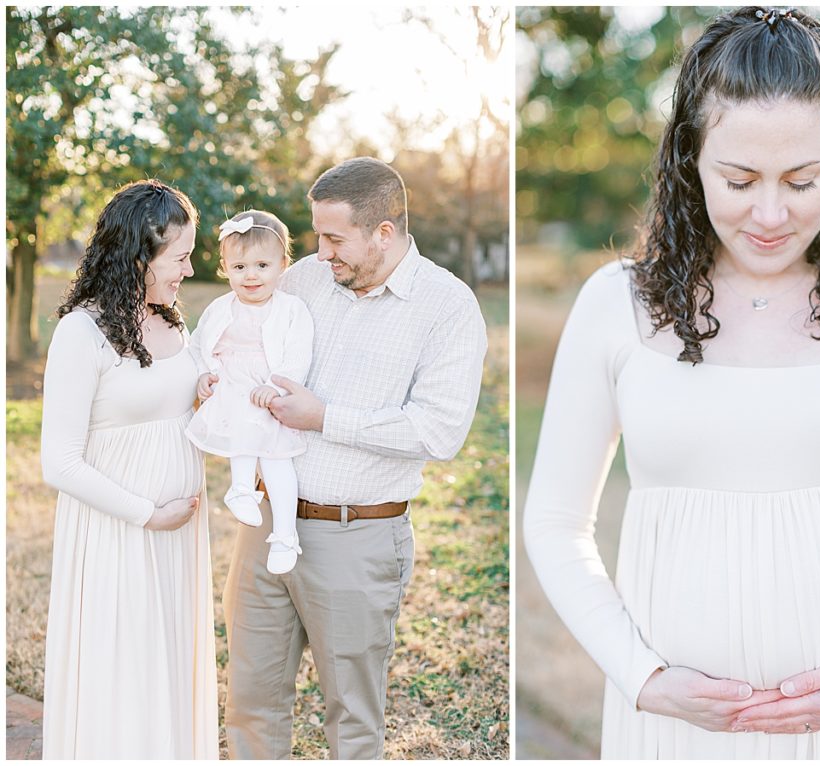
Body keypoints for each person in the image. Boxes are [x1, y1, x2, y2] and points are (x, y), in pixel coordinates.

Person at [523, 7, 820, 760]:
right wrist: (643, 676)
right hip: (679, 733)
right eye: (740, 178)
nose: (771, 213)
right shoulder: (613, 306)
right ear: (691, 159)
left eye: (802, 179)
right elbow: (555, 524)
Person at [222, 157, 489, 759]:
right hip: (268, 522)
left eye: (335, 238)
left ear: (384, 233)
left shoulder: (447, 306)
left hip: (358, 536)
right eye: (317, 234)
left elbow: (439, 431)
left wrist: (324, 417)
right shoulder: (309, 280)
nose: (320, 252)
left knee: (351, 720)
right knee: (250, 704)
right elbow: (245, 338)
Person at [40, 179, 217, 758]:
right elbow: (59, 463)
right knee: (124, 670)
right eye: (181, 257)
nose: (189, 271)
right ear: (139, 254)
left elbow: (174, 412)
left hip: (180, 538)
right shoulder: (81, 333)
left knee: (168, 664)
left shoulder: (174, 323)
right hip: (119, 534)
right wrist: (148, 514)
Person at [187, 210, 313, 574]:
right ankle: (241, 489)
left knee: (277, 461)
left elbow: (299, 354)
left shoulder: (291, 309)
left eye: (261, 265)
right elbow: (198, 347)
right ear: (225, 267)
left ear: (282, 265)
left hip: (268, 395)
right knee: (242, 441)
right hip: (233, 389)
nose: (251, 275)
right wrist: (203, 375)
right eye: (239, 267)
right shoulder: (219, 308)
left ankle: (286, 536)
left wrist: (275, 385)